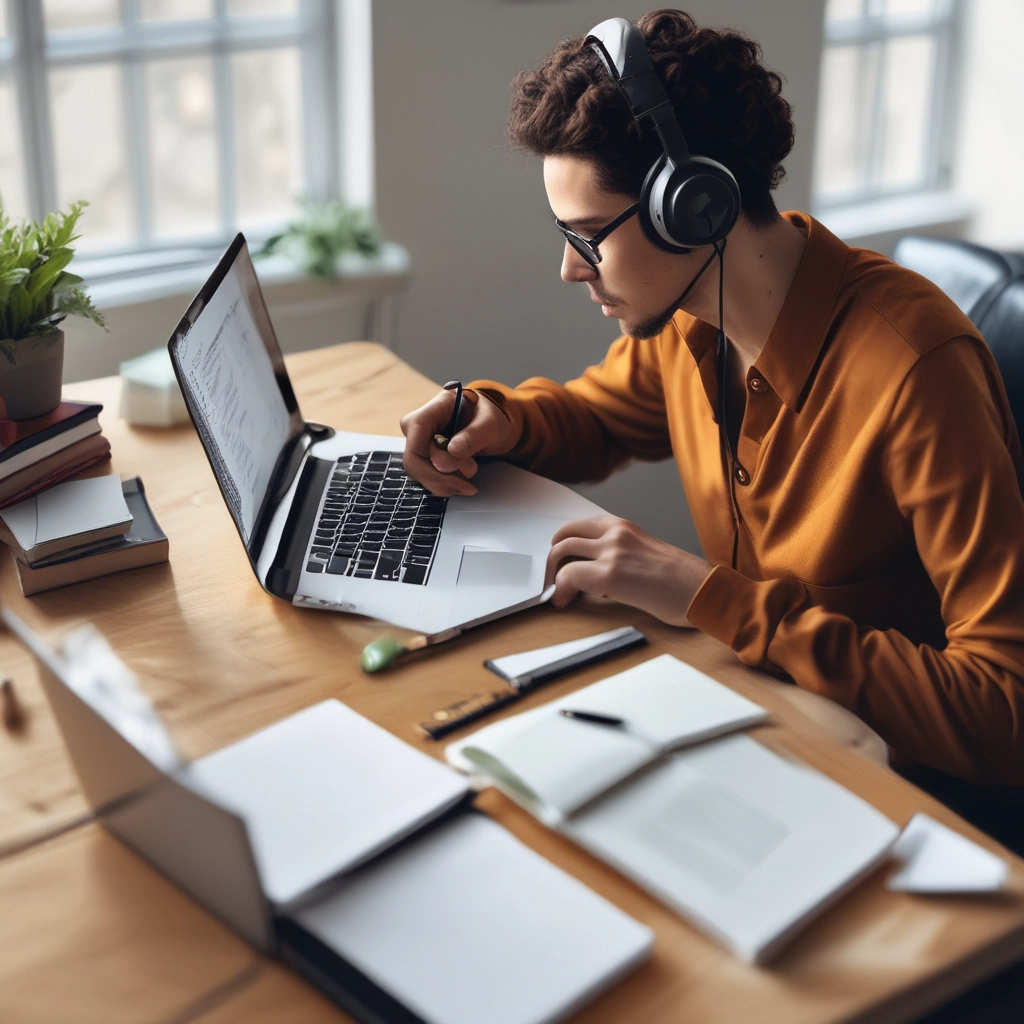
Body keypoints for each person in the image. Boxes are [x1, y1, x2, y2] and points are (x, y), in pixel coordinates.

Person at [399, 10, 1024, 805]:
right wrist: (501, 418)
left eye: (590, 237)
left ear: (696, 207)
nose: (569, 269)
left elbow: (1007, 711)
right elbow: (601, 418)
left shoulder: (914, 371)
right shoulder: (690, 315)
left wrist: (707, 596)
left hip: (899, 784)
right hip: (756, 713)